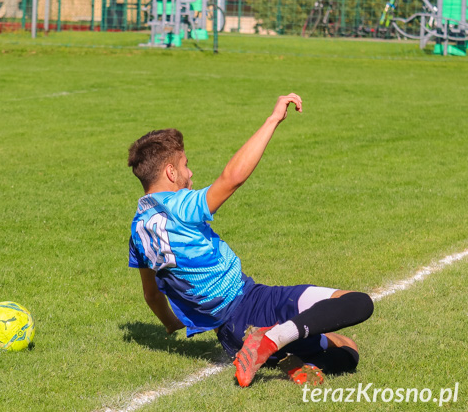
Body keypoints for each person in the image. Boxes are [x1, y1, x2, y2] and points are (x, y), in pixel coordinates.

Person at [127, 94, 373, 387]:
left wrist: (171, 323)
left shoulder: (138, 231)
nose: (190, 173)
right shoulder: (179, 205)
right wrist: (273, 120)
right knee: (356, 313)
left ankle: (285, 352)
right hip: (255, 302)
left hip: (230, 335)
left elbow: (152, 295)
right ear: (170, 172)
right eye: (185, 165)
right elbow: (231, 179)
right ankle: (274, 339)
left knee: (328, 343)